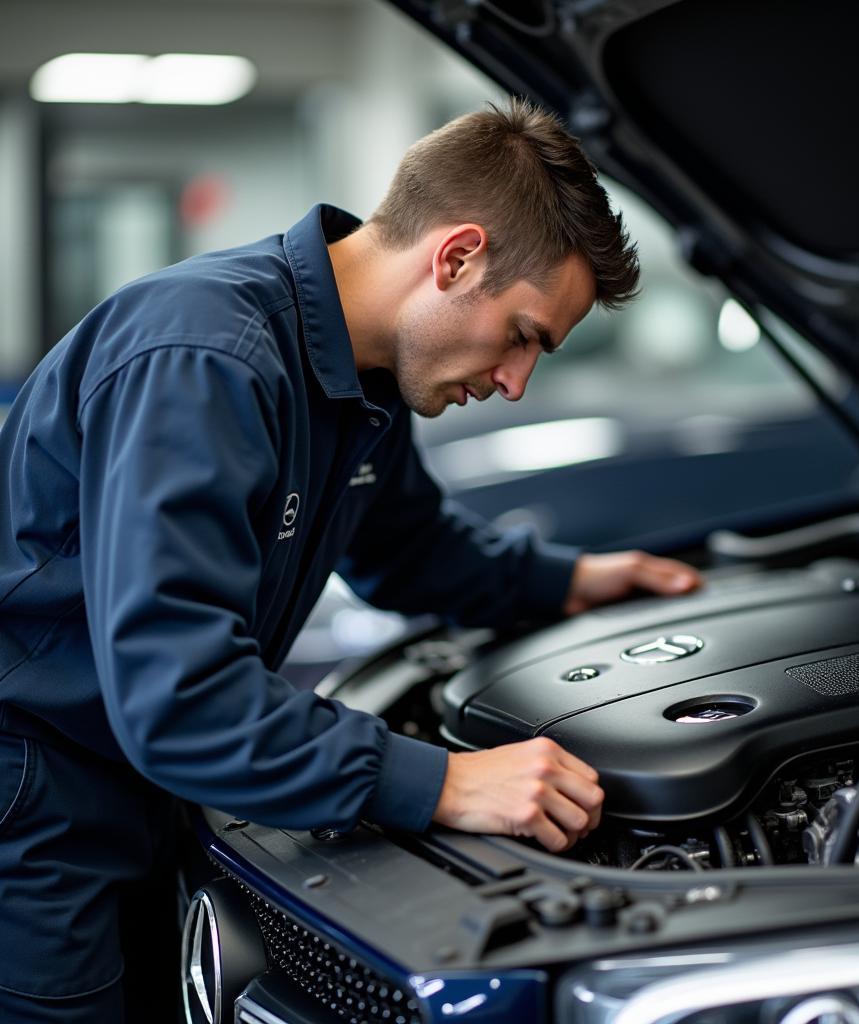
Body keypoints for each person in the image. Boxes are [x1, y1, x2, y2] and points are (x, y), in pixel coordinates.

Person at [0, 98, 700, 1021]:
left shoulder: (361, 377)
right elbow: (180, 699)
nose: (516, 383)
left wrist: (572, 582)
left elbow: (409, 551)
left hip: (137, 789)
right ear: (456, 257)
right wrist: (443, 781)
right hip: (35, 808)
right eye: (524, 335)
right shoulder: (209, 357)